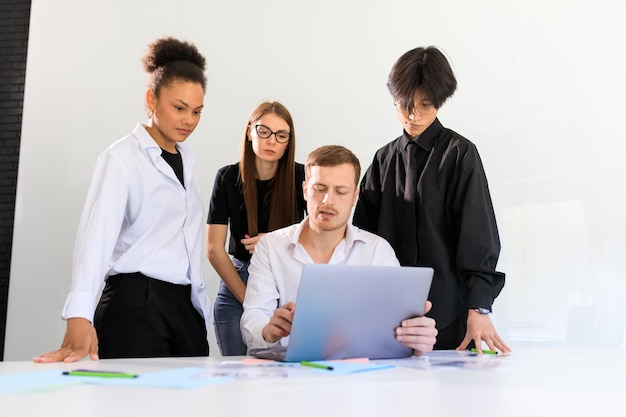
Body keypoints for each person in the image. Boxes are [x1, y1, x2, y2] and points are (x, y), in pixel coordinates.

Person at [33, 37, 211, 362]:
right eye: (179, 108)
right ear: (151, 99)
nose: (189, 120)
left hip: (185, 306)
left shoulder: (187, 162)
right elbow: (96, 237)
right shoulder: (121, 158)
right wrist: (79, 314)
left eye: (197, 111)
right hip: (136, 303)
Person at [352, 46, 511, 354]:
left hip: (449, 313)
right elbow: (361, 239)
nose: (414, 115)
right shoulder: (382, 161)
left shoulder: (460, 154)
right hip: (388, 315)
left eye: (425, 105)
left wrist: (479, 309)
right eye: (405, 104)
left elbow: (479, 238)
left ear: (441, 101)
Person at [241, 145, 437, 356]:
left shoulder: (377, 251)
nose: (328, 201)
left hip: (359, 376)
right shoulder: (272, 246)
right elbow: (254, 316)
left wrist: (416, 342)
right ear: (305, 190)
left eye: (340, 192)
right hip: (289, 373)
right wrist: (268, 331)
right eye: (320, 189)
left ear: (354, 197)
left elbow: (396, 331)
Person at [206, 101, 306, 356]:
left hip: (287, 285)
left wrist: (274, 243)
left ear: (288, 141)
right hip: (238, 285)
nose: (271, 141)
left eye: (281, 135)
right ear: (250, 131)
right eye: (264, 131)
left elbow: (320, 235)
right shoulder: (228, 177)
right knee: (238, 378)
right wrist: (250, 299)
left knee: (283, 379)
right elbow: (214, 249)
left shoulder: (303, 177)